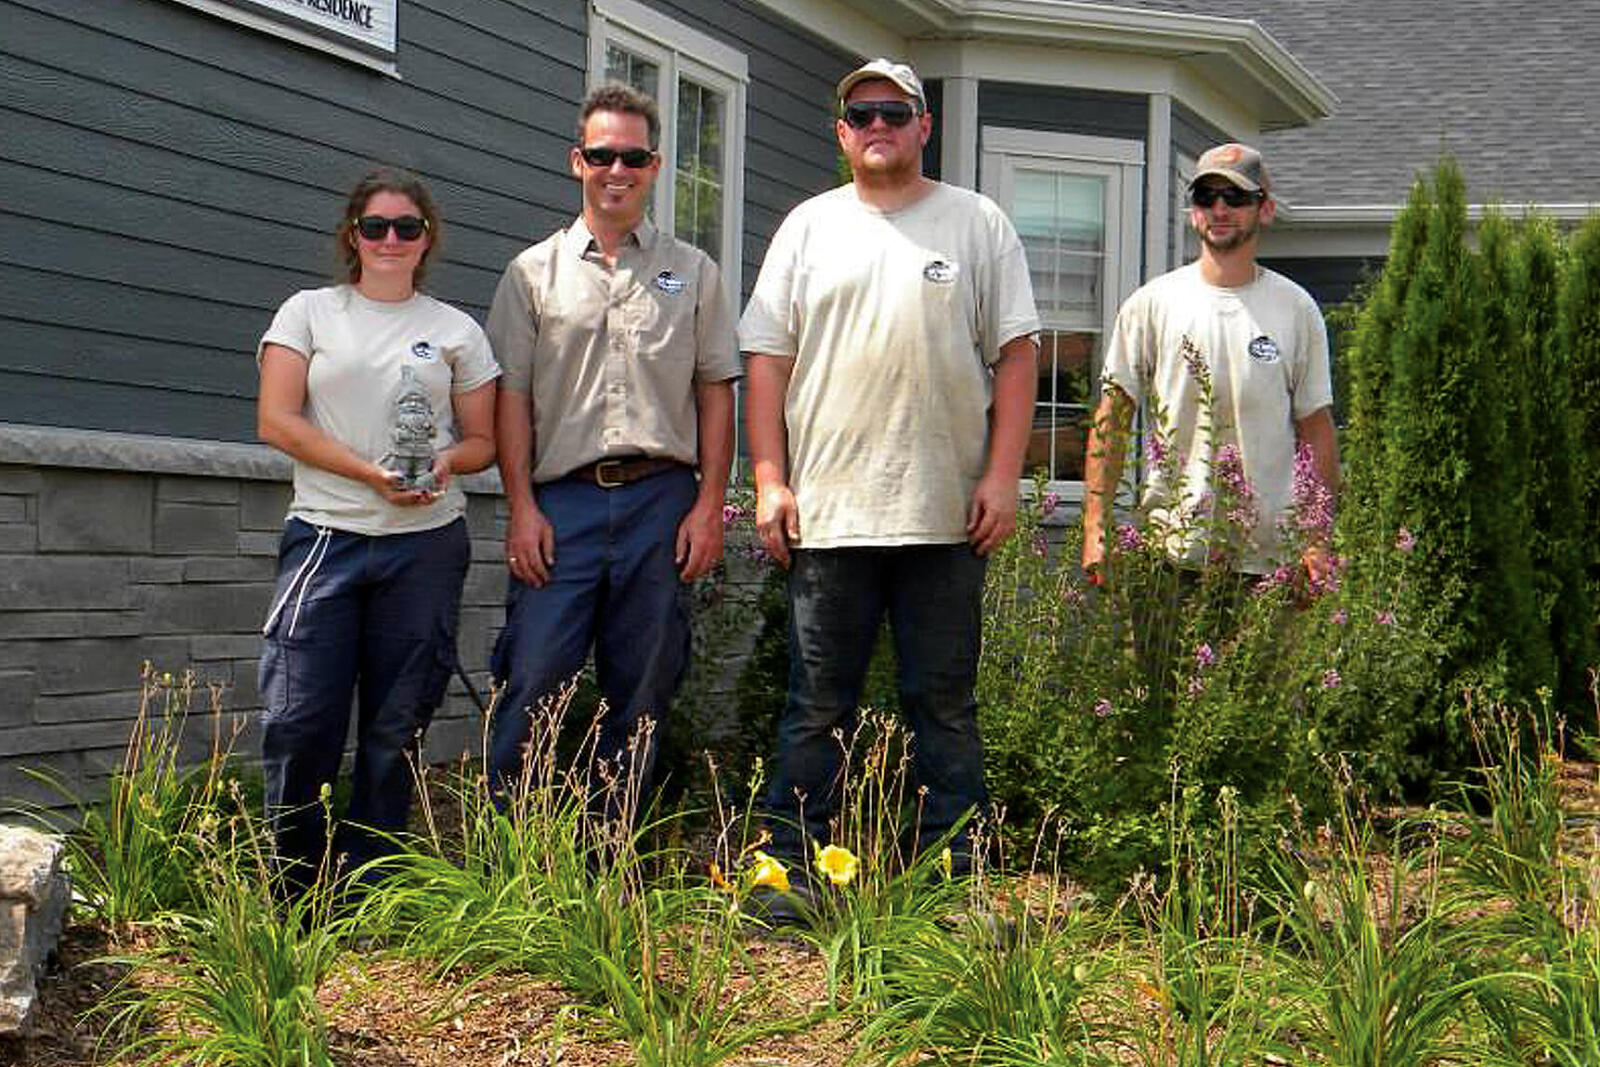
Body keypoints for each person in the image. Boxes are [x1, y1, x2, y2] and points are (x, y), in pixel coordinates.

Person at [740, 59, 1040, 892]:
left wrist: (1002, 475)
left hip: (946, 515)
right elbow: (766, 361)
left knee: (943, 706)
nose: (879, 125)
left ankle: (955, 877)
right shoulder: (807, 228)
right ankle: (788, 875)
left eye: (895, 112)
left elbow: (1016, 357)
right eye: (862, 114)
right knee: (815, 707)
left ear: (923, 125)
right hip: (829, 518)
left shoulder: (977, 225)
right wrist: (770, 478)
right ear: (842, 133)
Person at [485, 83, 739, 812]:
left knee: (642, 683)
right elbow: (512, 398)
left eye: (633, 156)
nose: (616, 170)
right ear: (577, 161)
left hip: (661, 500)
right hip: (560, 504)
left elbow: (717, 389)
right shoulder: (532, 274)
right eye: (602, 155)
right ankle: (516, 848)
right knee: (535, 674)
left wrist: (710, 505)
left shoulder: (693, 273)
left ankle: (610, 854)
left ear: (655, 166)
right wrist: (522, 507)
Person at [257, 168, 500, 890]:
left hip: (424, 546)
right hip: (328, 535)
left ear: (427, 240)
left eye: (407, 227)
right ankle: (292, 887)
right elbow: (276, 420)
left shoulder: (456, 330)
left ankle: (371, 886)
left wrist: (447, 464)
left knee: (397, 727)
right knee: (301, 718)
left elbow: (482, 439)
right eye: (376, 227)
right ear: (352, 236)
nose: (391, 239)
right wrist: (367, 473)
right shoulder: (308, 312)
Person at [1082, 142, 1339, 586]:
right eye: (1206, 197)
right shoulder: (1152, 304)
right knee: (1163, 661)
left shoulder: (1297, 309)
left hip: (1272, 564)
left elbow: (1316, 429)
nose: (1220, 208)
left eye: (1236, 197)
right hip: (1169, 552)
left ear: (1265, 209)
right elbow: (1113, 418)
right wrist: (1094, 525)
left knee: (1264, 661)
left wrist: (1317, 540)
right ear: (1193, 212)